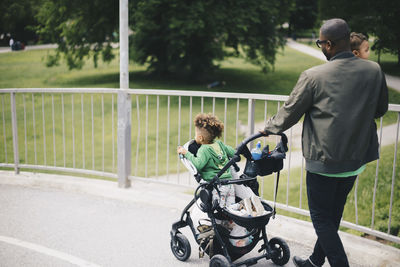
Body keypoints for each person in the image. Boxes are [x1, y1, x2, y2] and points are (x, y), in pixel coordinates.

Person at [262, 18, 388, 267]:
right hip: (355, 159)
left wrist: (268, 128)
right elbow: (380, 109)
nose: (321, 46)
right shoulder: (374, 70)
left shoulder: (313, 76)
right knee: (333, 214)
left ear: (328, 44)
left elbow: (289, 113)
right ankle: (315, 260)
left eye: (321, 43)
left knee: (320, 217)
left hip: (324, 161)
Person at [177, 113, 236, 208]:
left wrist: (186, 153)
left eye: (195, 134)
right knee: (231, 208)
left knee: (219, 209)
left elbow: (198, 164)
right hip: (229, 184)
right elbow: (233, 153)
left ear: (200, 137)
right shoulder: (219, 144)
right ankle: (234, 216)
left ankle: (217, 222)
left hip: (217, 186)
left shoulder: (204, 150)